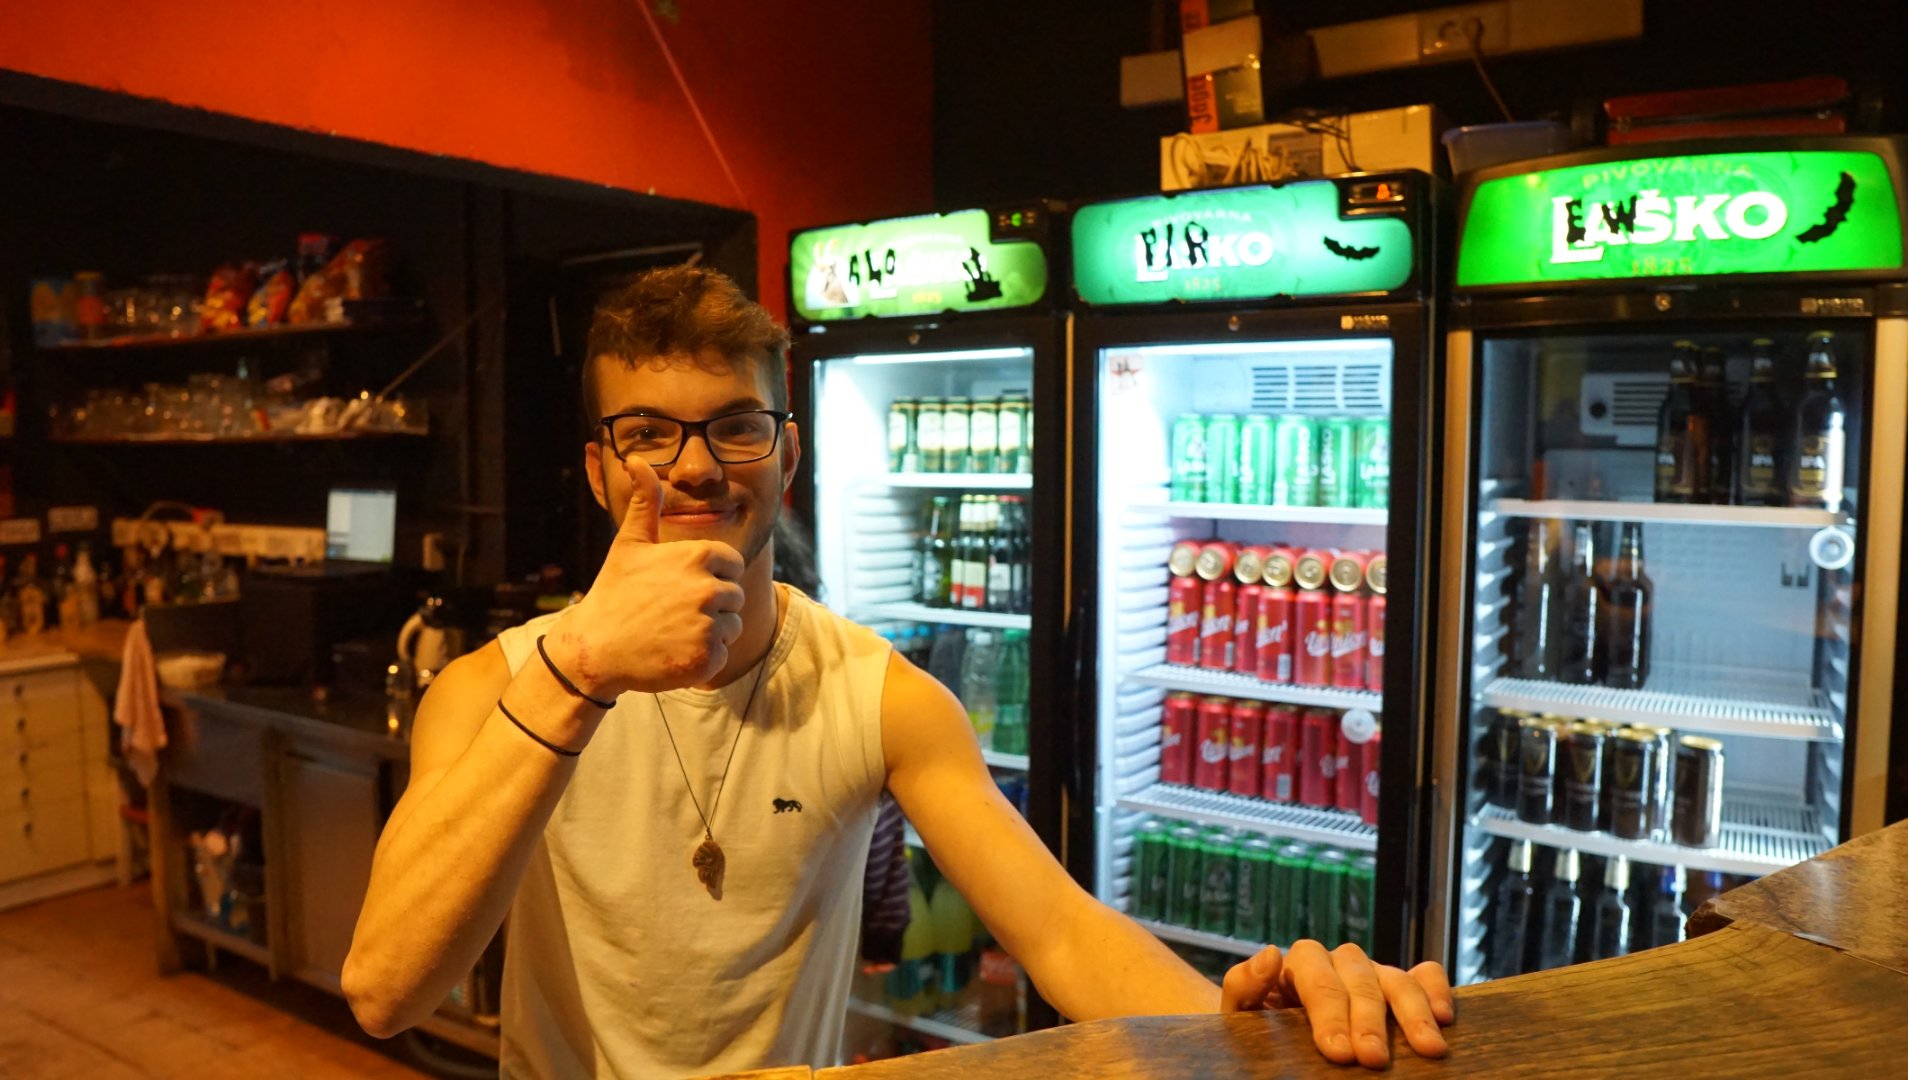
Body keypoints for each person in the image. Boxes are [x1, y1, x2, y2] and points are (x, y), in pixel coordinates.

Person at [343, 266, 1454, 1077]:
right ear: (598, 470)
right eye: (646, 434)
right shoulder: (490, 691)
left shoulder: (878, 694)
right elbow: (388, 991)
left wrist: (1250, 1028)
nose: (694, 467)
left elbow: (1059, 932)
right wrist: (581, 669)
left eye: (736, 427)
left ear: (787, 454)